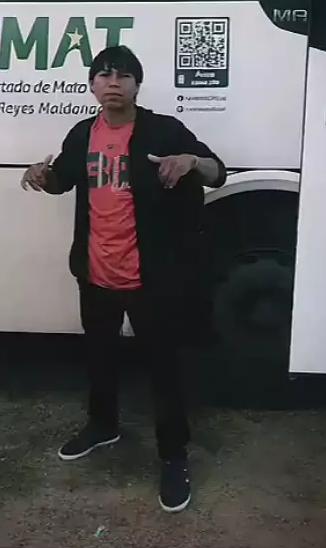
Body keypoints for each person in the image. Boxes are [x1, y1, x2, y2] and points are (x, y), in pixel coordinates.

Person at [21, 46, 226, 512]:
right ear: (92, 85)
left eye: (124, 75)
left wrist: (191, 161)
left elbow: (218, 172)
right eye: (104, 75)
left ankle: (173, 456)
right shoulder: (82, 133)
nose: (113, 83)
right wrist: (41, 175)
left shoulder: (163, 130)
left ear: (137, 85)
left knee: (164, 368)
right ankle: (103, 426)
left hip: (152, 275)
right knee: (100, 356)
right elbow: (62, 179)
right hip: (95, 271)